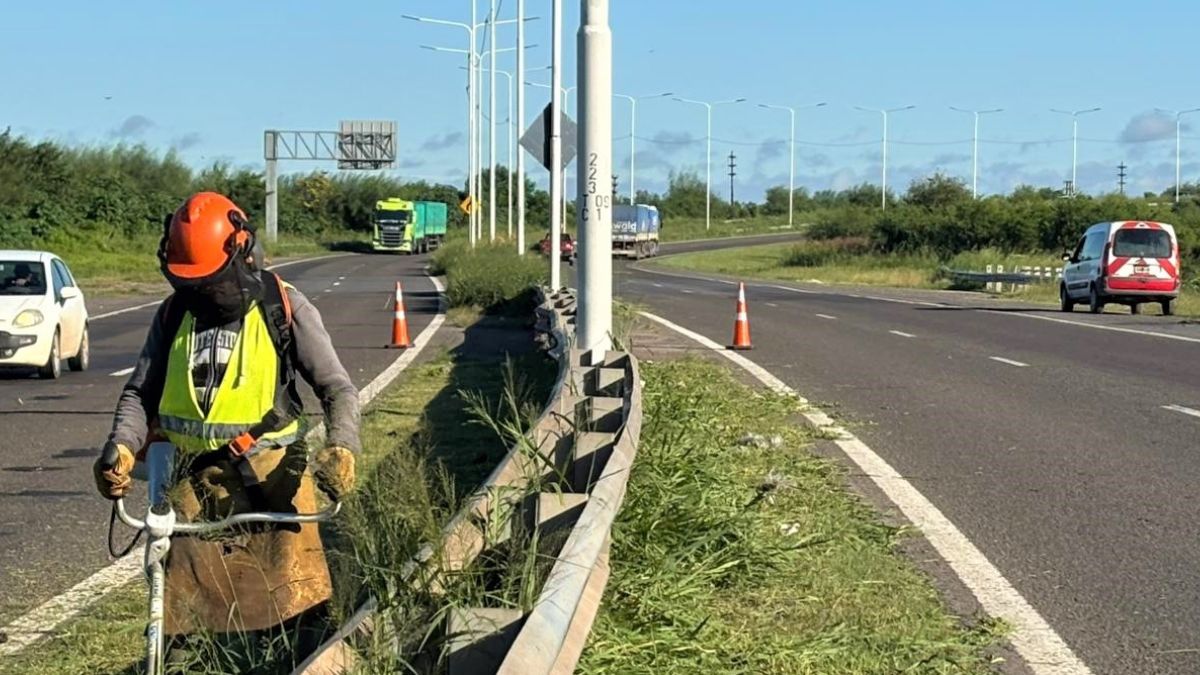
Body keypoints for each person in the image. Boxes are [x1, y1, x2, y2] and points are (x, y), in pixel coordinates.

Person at [92, 192, 360, 665]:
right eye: (187, 283)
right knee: (180, 620)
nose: (199, 294)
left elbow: (337, 389)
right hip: (194, 485)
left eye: (208, 284)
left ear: (240, 256)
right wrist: (122, 445)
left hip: (278, 484)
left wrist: (343, 447)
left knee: (297, 614)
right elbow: (139, 394)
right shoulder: (174, 314)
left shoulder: (284, 308)